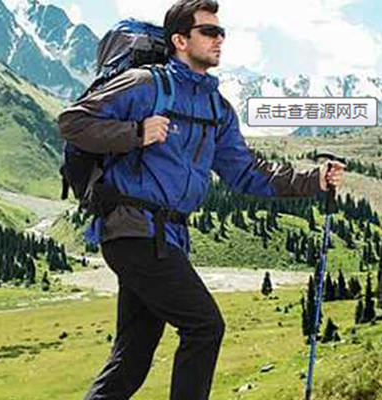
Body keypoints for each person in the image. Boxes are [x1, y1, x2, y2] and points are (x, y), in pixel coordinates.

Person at [58, 1, 346, 398]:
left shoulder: (216, 107)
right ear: (180, 40)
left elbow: (247, 172)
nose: (219, 39)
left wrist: (313, 180)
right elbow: (73, 122)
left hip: (168, 237)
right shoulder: (144, 84)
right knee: (205, 326)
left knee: (133, 356)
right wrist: (136, 133)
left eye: (221, 32)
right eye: (209, 31)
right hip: (133, 230)